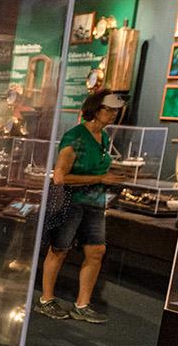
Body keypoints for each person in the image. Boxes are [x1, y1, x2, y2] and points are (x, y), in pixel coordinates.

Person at [36, 89, 125, 324]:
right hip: (70, 201)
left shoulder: (103, 137)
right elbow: (60, 177)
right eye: (109, 109)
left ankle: (82, 304)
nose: (114, 114)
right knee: (59, 249)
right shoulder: (75, 137)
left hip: (95, 203)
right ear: (95, 110)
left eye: (116, 110)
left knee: (96, 252)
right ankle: (46, 299)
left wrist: (107, 177)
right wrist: (99, 179)